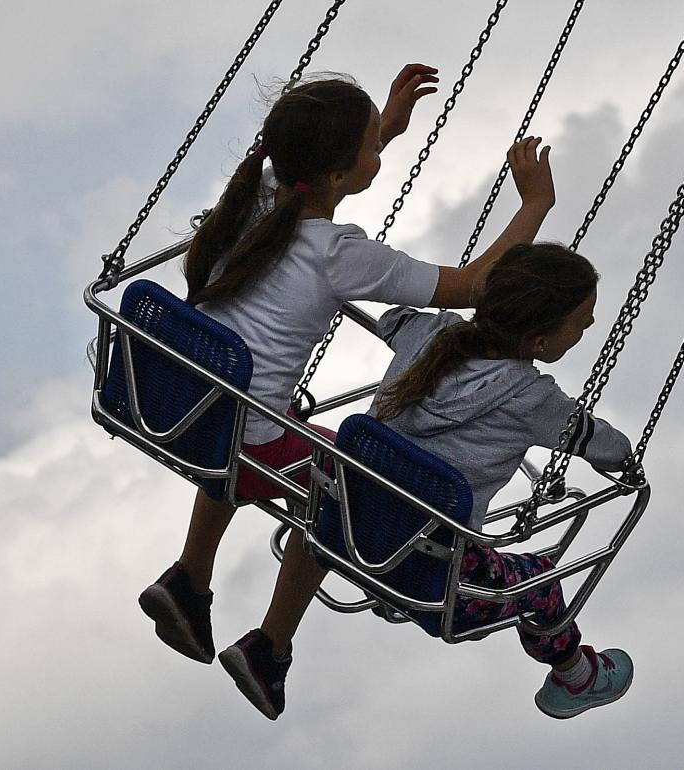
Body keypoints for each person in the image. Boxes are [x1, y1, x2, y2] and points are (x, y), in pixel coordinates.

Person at [136, 63, 557, 717]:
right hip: (246, 434)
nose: (376, 152)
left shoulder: (249, 200)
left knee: (244, 421)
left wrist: (381, 127)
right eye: (368, 147)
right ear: (338, 174)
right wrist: (534, 204)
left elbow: (297, 157)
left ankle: (190, 577)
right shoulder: (341, 252)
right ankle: (269, 647)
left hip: (183, 403)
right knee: (355, 486)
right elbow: (476, 287)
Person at [366, 242, 635, 719]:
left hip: (351, 527)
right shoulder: (533, 397)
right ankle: (577, 678)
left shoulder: (431, 332)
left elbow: (391, 322)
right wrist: (626, 461)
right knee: (542, 583)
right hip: (439, 580)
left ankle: (391, 592)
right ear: (538, 343)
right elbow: (608, 446)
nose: (590, 325)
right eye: (581, 320)